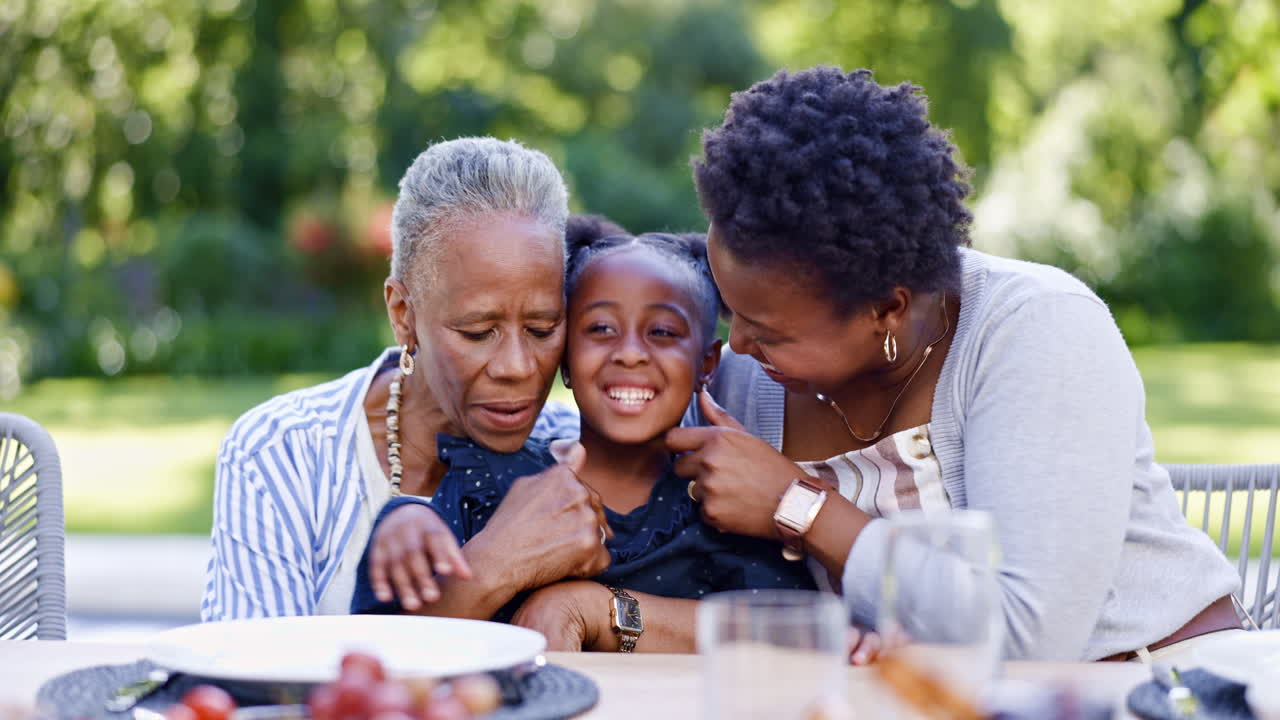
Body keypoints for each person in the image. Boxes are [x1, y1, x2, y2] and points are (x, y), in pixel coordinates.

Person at [667, 66, 1242, 662]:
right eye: (732, 313)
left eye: (769, 332)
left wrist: (798, 507)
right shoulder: (747, 381)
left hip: (1158, 677)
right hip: (913, 691)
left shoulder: (1035, 329)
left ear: (886, 309)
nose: (738, 346)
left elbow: (1029, 638)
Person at [353, 217, 817, 651]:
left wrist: (599, 612)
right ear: (566, 360)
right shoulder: (489, 480)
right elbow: (388, 638)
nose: (630, 354)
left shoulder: (722, 507)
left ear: (707, 364)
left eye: (661, 332)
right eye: (601, 329)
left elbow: (795, 633)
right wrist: (403, 517)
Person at [200, 137, 603, 620]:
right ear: (402, 314)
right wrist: (493, 568)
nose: (517, 366)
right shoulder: (284, 453)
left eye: (542, 328)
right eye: (477, 332)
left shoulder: (575, 453)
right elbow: (253, 663)